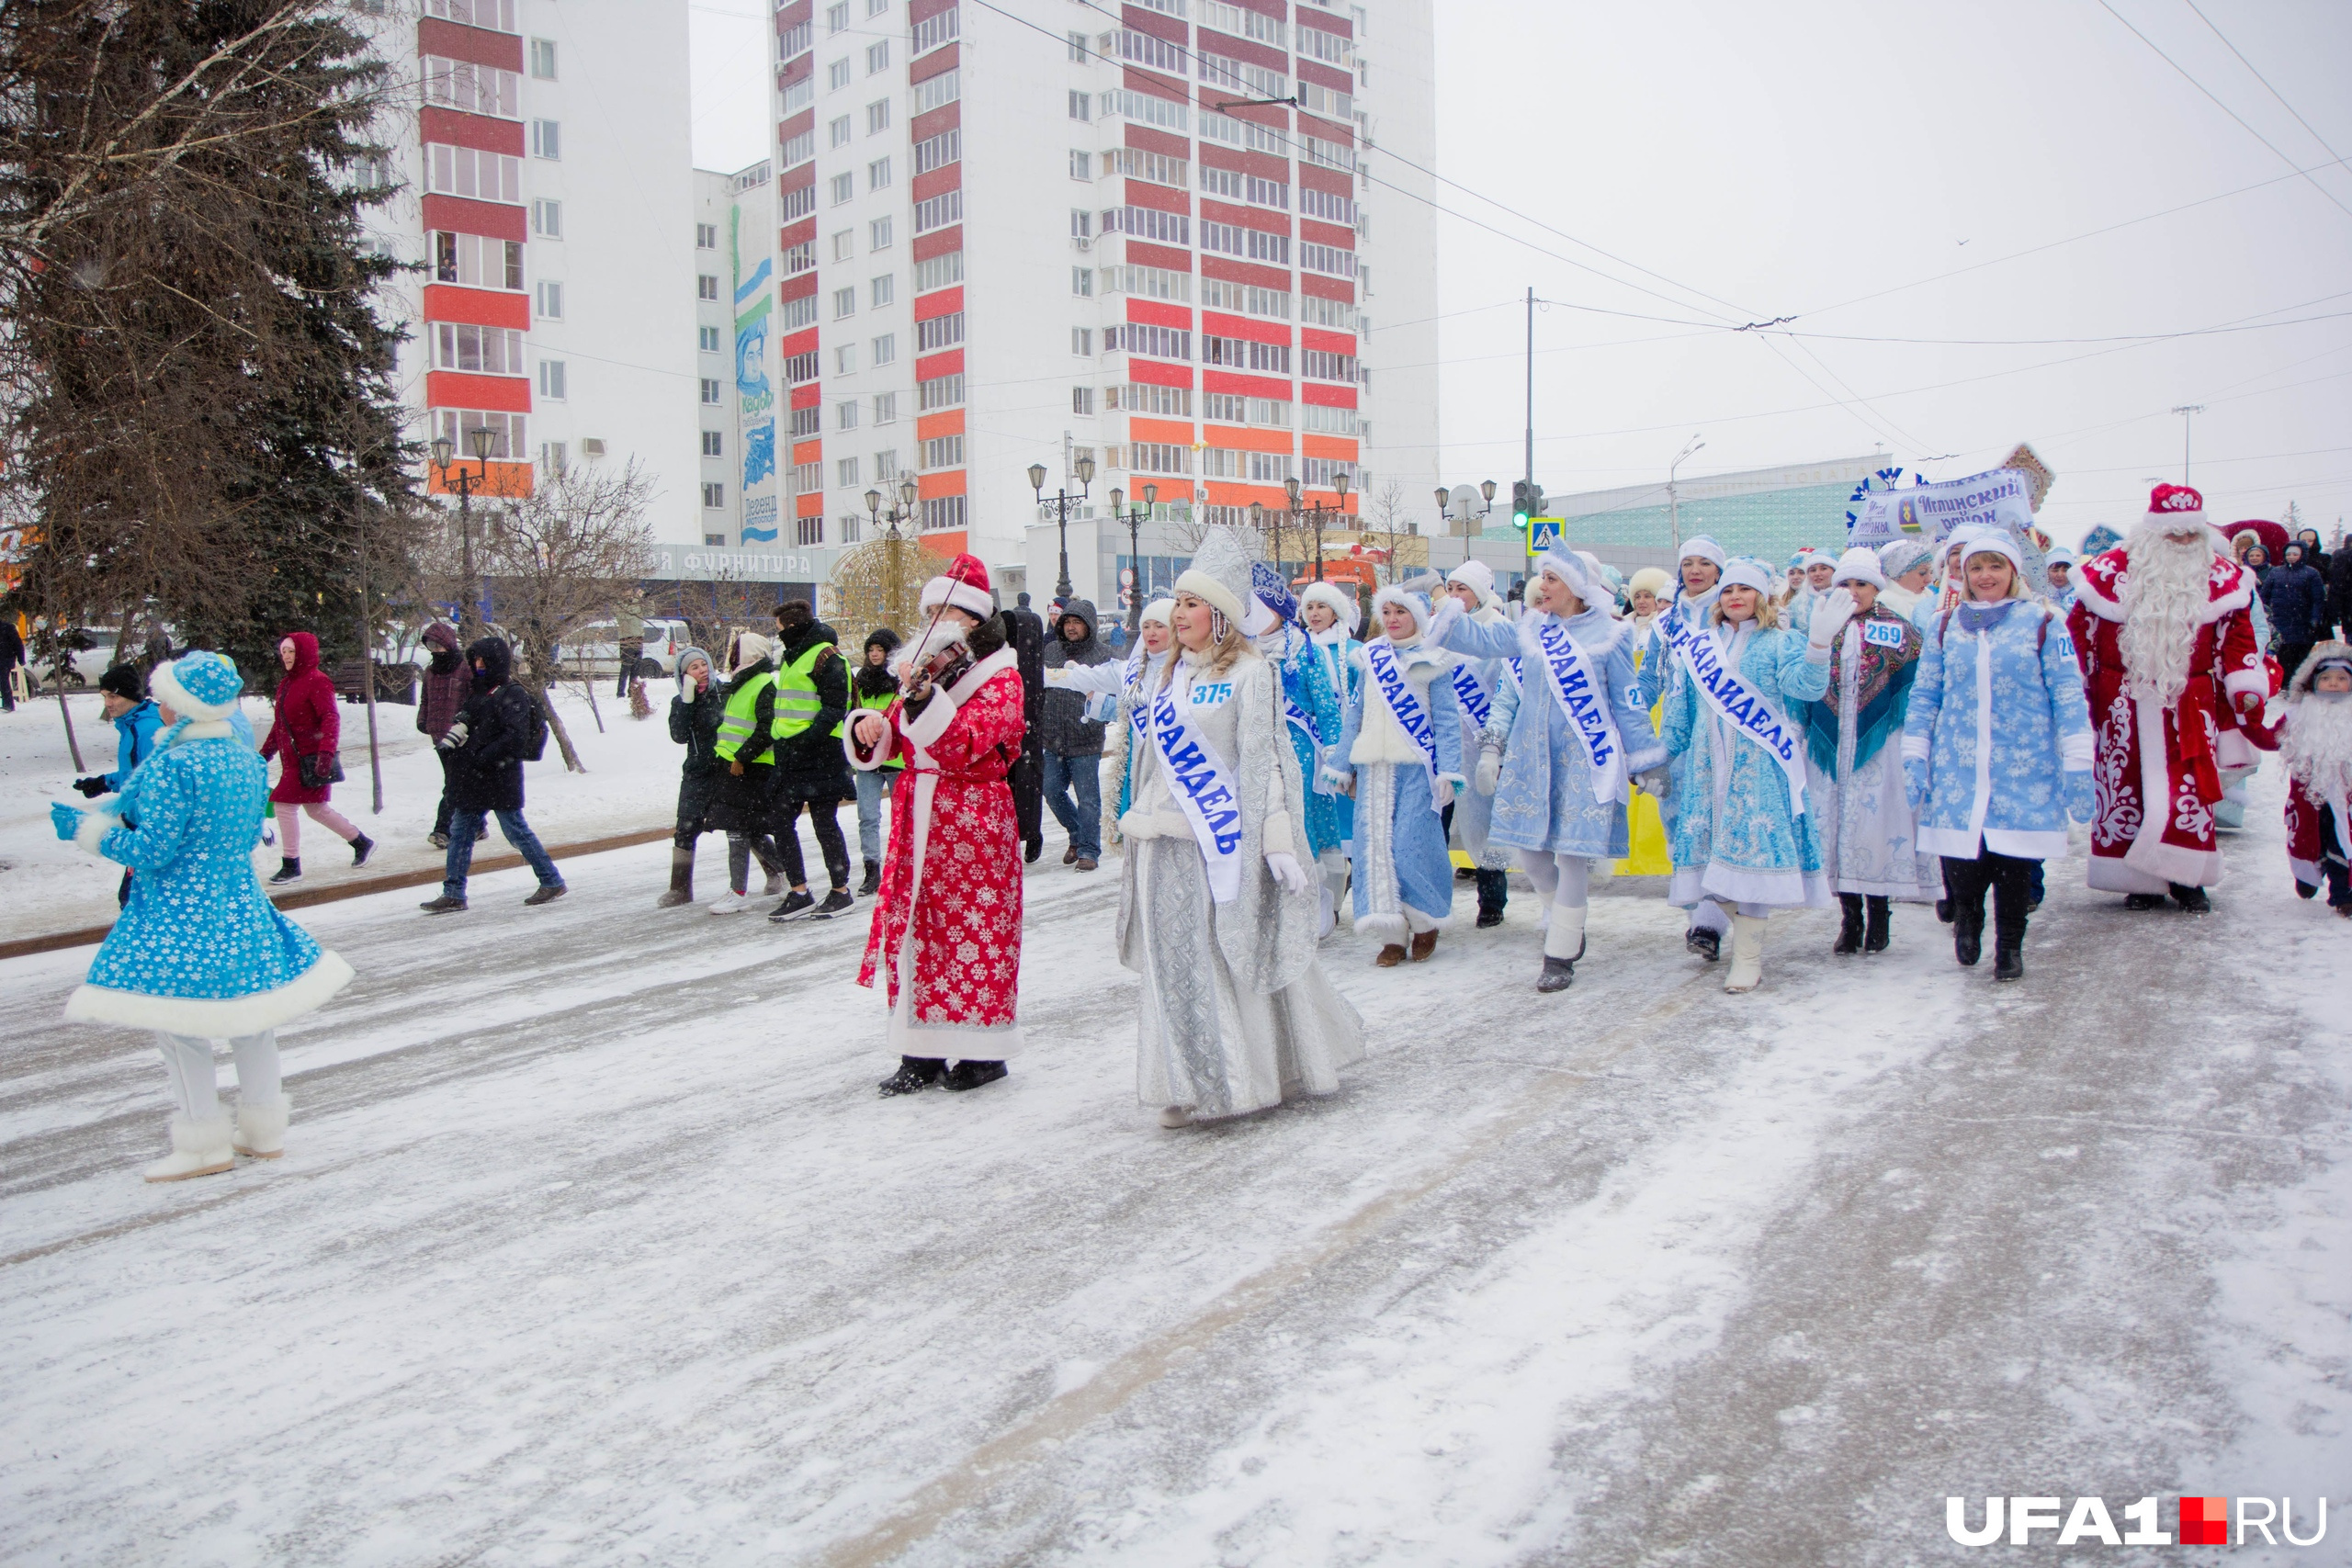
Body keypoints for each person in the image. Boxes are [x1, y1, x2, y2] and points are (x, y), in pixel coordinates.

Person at [52, 650, 353, 1180]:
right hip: (236, 899)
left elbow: (153, 850)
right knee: (251, 1017)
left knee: (179, 1025)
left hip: (180, 908)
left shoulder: (174, 763)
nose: (160, 706)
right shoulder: (240, 757)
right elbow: (235, 833)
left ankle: (203, 1144)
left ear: (182, 705)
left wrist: (91, 832)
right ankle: (264, 1133)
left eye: (164, 698)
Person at [1114, 527, 1365, 1128]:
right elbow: (1150, 763)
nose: (1178, 614)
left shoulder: (1253, 674)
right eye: (1176, 602)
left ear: (1221, 616)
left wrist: (1277, 836)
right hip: (1161, 843)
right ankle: (1184, 1078)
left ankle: (1238, 1077)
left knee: (1226, 957)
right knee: (1173, 966)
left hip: (1220, 844)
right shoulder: (1165, 679)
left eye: (1191, 603)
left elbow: (1265, 762)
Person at [1432, 547, 1661, 990]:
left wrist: (1645, 759)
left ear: (1576, 586)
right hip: (1531, 758)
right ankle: (1566, 921)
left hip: (1585, 758)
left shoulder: (1611, 637)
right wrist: (1448, 609)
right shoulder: (1533, 630)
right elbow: (1479, 642)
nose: (1542, 588)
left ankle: (1559, 952)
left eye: (1552, 580)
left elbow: (1628, 706)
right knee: (1534, 857)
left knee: (1573, 855)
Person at [849, 555, 1026, 1095]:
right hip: (917, 812)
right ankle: (918, 1050)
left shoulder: (1002, 677)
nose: (935, 618)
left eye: (946, 609)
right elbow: (900, 745)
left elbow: (964, 744)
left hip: (972, 819)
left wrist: (924, 700)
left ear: (973, 620)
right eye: (930, 609)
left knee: (973, 931)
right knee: (915, 933)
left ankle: (982, 1053)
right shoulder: (925, 674)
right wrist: (872, 728)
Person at [1904, 530, 2092, 979]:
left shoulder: (2044, 621)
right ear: (1963, 574)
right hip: (1958, 764)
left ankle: (2010, 944)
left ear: (2013, 571)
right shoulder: (1945, 625)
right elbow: (1926, 693)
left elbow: (2068, 693)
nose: (1985, 576)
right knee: (1962, 860)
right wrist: (1915, 752)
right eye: (1976, 567)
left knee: (2014, 862)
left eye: (1995, 566)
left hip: (2023, 764)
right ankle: (1967, 916)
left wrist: (2078, 763)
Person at [2068, 483, 2266, 910]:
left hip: (2190, 702)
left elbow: (2238, 638)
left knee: (2188, 791)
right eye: (2172, 533)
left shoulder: (2223, 580)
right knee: (2126, 789)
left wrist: (2245, 686)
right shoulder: (2106, 574)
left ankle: (2187, 878)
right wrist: (2079, 689)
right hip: (2121, 704)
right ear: (2152, 532)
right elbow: (2078, 635)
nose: (2180, 542)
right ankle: (2139, 881)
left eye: (2189, 534)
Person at [1659, 558, 1828, 992]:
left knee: (1752, 861)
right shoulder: (1701, 645)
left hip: (1758, 769)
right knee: (1715, 870)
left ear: (1761, 597)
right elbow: (1681, 710)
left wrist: (1818, 649)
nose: (1735, 597)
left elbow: (1805, 689)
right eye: (1729, 590)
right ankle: (1739, 940)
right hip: (1705, 768)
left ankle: (1748, 958)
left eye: (1745, 590)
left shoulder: (1779, 642)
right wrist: (1659, 757)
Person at [1802, 547, 1938, 954]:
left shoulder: (1897, 627)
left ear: (1876, 588)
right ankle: (1850, 917)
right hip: (1829, 749)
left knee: (1873, 828)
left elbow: (1917, 681)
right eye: (1846, 583)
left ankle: (1879, 915)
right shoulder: (1822, 624)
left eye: (1862, 583)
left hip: (1879, 748)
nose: (1853, 591)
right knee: (1838, 828)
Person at [1331, 585, 1464, 966]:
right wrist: (1342, 762)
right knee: (1374, 850)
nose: (1391, 619)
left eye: (1399, 612)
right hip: (1374, 767)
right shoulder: (1370, 659)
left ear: (1417, 618)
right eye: (1386, 613)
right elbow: (1354, 715)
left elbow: (1447, 721)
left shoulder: (1434, 661)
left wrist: (1449, 770)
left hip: (1417, 768)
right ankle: (1391, 933)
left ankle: (1425, 923)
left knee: (1411, 846)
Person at [418, 637, 567, 912]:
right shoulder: (479, 691)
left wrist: (483, 757)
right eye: (475, 660)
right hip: (474, 776)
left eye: (483, 661)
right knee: (460, 832)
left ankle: (551, 879)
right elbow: (466, 723)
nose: (478, 665)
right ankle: (453, 892)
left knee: (515, 831)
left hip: (500, 774)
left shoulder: (512, 693)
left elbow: (515, 737)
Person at [1636, 536, 1731, 954]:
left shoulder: (1730, 614)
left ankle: (1712, 919)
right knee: (1680, 824)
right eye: (1688, 563)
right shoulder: (1666, 623)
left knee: (1720, 821)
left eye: (1704, 564)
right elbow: (1648, 682)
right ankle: (1698, 911)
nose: (1695, 570)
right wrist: (1628, 719)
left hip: (1725, 734)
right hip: (1676, 741)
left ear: (1719, 571)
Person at [1434, 561, 1516, 930]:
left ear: (1480, 594)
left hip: (1485, 742)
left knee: (1485, 826)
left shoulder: (1500, 632)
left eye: (1461, 589)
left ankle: (1492, 900)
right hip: (1445, 745)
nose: (1453, 596)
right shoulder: (1439, 632)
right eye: (1449, 588)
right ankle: (1434, 900)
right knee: (1437, 822)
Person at [764, 600, 855, 920]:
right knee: (780, 820)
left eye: (779, 630)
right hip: (791, 754)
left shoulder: (827, 656)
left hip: (821, 754)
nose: (777, 637)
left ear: (791, 627)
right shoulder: (793, 656)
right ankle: (799, 891)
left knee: (824, 823)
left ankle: (841, 891)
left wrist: (806, 740)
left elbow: (835, 708)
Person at [257, 631, 371, 885]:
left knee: (283, 806)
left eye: (291, 651)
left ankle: (291, 864)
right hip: (293, 761)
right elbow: (280, 725)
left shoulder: (318, 681)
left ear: (304, 653)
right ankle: (362, 842)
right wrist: (264, 754)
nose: (285, 656)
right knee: (317, 810)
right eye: (283, 651)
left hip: (311, 761)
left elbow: (330, 719)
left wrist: (326, 754)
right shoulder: (286, 684)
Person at [703, 631, 787, 914]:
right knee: (748, 831)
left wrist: (742, 757)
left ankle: (738, 891)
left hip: (750, 768)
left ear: (750, 654)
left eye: (737, 651)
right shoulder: (742, 682)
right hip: (732, 766)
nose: (732, 657)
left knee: (738, 831)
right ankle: (785, 871)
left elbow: (766, 729)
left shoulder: (763, 684)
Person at [1038, 596, 1115, 872]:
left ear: (1089, 626)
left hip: (1086, 738)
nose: (1071, 627)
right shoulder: (1052, 652)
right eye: (1067, 622)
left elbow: (1114, 694)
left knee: (1088, 799)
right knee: (1051, 790)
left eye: (1077, 622)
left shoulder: (1103, 656)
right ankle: (1077, 834)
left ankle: (1088, 850)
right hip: (1053, 738)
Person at [1300, 581, 1363, 920]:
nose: (1314, 614)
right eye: (1309, 608)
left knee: (1350, 823)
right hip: (1310, 749)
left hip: (1345, 748)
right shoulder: (1299, 648)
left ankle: (1349, 888)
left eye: (1321, 607)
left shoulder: (1353, 650)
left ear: (1335, 611)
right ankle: (1330, 898)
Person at [2281, 641, 2352, 915]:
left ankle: (2343, 894)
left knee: (2341, 839)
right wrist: (2244, 722)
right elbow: (2271, 738)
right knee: (2309, 838)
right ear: (2313, 681)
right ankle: (2307, 875)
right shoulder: (2299, 714)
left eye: (2341, 679)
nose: (2333, 684)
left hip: (2345, 797)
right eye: (2326, 678)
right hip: (2309, 795)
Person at [659, 645, 721, 907]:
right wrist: (687, 700)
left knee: (741, 824)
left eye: (703, 664)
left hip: (726, 769)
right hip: (697, 772)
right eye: (694, 668)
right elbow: (679, 735)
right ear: (684, 675)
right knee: (685, 828)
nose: (701, 671)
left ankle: (775, 870)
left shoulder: (724, 693)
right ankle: (680, 889)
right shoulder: (681, 701)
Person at [850, 627, 902, 895]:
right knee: (867, 816)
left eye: (879, 650)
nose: (874, 654)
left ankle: (899, 867)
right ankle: (871, 868)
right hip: (868, 757)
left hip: (897, 759)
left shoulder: (901, 679)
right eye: (871, 650)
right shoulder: (861, 678)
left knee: (900, 817)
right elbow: (855, 714)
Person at [415, 621, 475, 850]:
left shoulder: (464, 668)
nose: (436, 650)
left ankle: (443, 829)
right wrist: (423, 720)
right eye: (431, 646)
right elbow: (425, 699)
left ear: (448, 644)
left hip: (460, 735)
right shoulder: (430, 672)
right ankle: (477, 826)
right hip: (438, 735)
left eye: (439, 645)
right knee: (458, 783)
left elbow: (472, 699)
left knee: (453, 784)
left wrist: (467, 723)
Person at [1006, 590, 1048, 863]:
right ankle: (1026, 834)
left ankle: (1029, 834)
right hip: (1017, 730)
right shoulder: (1023, 661)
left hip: (1025, 730)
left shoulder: (1021, 663)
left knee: (1025, 784)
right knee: (1021, 786)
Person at [2261, 542, 2330, 691]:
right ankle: (2285, 684)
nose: (2291, 557)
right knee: (2284, 654)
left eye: (2295, 554)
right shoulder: (2276, 572)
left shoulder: (2311, 573)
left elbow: (2318, 599)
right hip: (2280, 620)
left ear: (2302, 555)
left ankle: (2300, 683)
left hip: (2302, 621)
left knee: (2301, 654)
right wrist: (2266, 614)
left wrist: (2315, 618)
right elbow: (2264, 595)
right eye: (2288, 554)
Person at [614, 602, 644, 698]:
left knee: (636, 669)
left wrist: (648, 600)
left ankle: (633, 692)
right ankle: (620, 693)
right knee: (625, 669)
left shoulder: (639, 605)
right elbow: (628, 615)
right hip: (626, 641)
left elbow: (650, 612)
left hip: (638, 640)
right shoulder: (620, 605)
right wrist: (637, 603)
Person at [2044, 547, 2078, 612]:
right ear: (2047, 571)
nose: (2060, 575)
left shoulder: (2079, 593)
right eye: (2055, 570)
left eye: (2065, 570)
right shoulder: (2041, 593)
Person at [0, 612, 22, 711]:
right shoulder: (7, 628)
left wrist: (21, 658)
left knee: (3, 681)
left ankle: (8, 704)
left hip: (5, 660)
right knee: (3, 681)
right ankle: (8, 704)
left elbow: (17, 643)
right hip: (6, 658)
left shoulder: (7, 628)